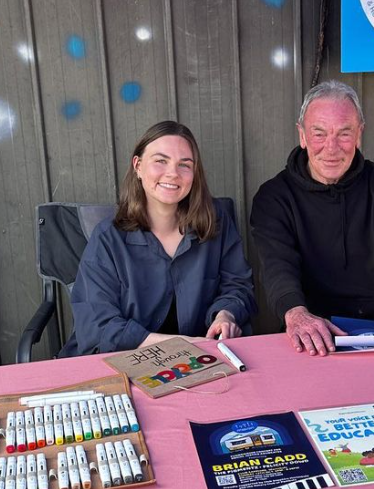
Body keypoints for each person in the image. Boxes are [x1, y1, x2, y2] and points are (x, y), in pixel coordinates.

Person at [250, 80, 374, 356]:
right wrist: (295, 314)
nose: (331, 147)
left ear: (359, 134)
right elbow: (277, 266)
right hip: (315, 330)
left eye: (344, 133)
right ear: (302, 136)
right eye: (319, 133)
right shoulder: (273, 198)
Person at [63, 121, 256, 355]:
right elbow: (99, 326)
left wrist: (226, 314)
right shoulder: (108, 239)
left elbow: (238, 285)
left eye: (184, 165)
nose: (173, 173)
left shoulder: (216, 223)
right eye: (160, 161)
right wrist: (185, 344)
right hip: (123, 362)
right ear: (138, 166)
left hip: (203, 362)